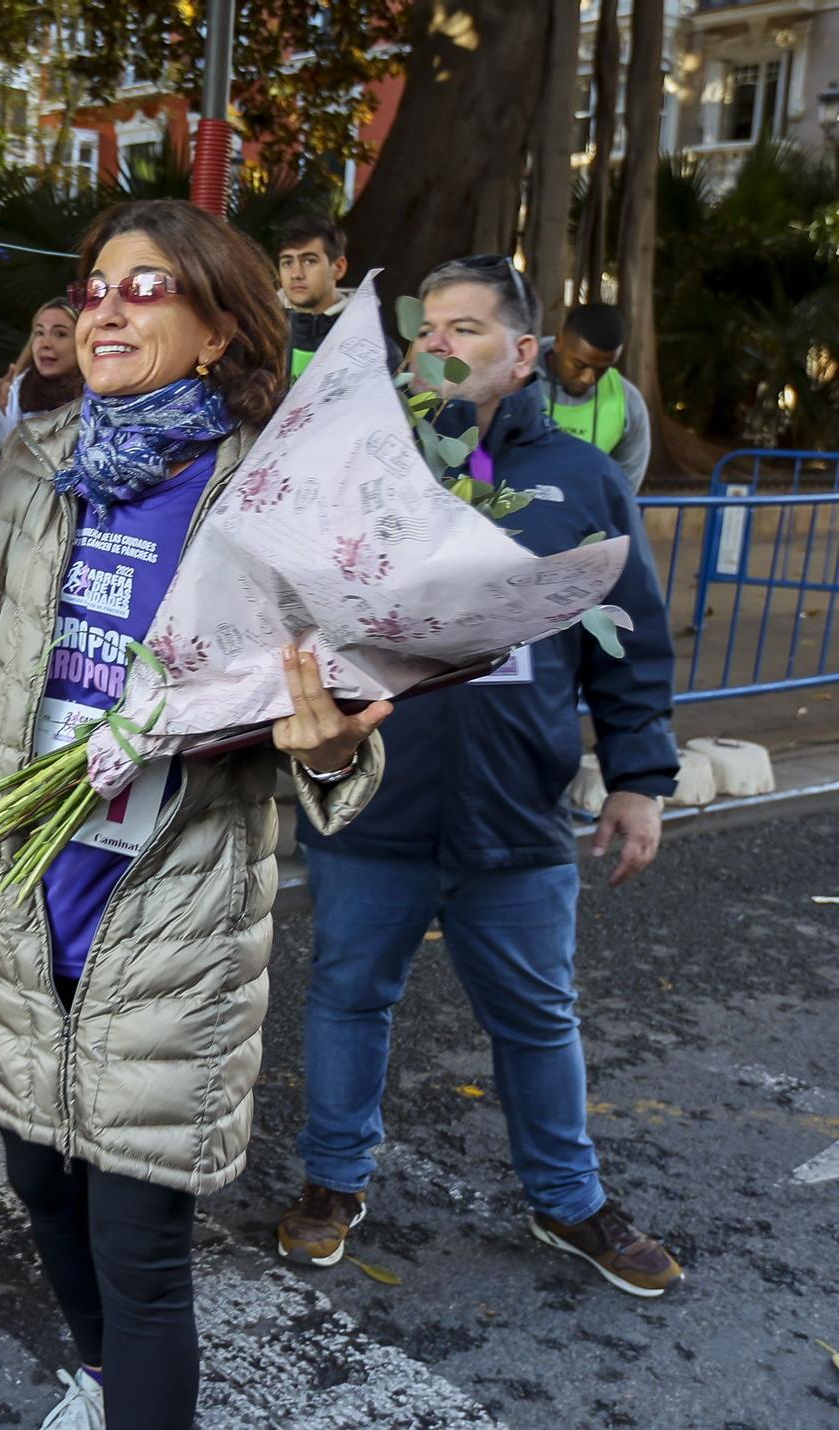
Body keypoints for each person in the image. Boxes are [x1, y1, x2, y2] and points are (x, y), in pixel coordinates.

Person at [0, 199, 387, 1430]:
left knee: (139, 1241)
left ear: (221, 331)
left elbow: (334, 737)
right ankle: (105, 1378)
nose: (105, 309)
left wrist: (328, 751)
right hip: (23, 888)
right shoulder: (35, 456)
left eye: (146, 289)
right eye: (97, 286)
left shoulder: (269, 498)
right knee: (36, 1178)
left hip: (167, 909)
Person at [278, 255, 684, 1300]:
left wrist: (636, 777)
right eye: (427, 329)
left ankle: (567, 1196)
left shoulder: (579, 481)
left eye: (466, 328)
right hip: (375, 797)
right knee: (345, 995)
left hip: (515, 809)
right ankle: (332, 1180)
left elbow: (626, 639)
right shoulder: (363, 471)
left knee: (537, 1014)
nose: (439, 345)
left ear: (522, 354)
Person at [538, 302, 649, 492]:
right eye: (579, 365)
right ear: (559, 341)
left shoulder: (628, 402)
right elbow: (483, 453)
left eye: (602, 369)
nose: (588, 378)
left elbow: (624, 490)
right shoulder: (513, 377)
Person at [0, 296, 85, 449]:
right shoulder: (19, 391)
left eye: (60, 334)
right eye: (39, 332)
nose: (45, 344)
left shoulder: (101, 394)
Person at [276, 212, 350, 383]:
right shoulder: (261, 339)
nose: (296, 274)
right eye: (287, 262)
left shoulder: (373, 346)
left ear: (338, 268)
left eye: (309, 261)